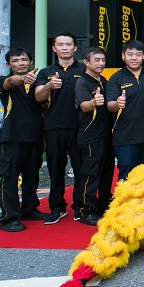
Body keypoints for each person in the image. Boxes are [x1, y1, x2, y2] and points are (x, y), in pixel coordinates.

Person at [34, 32, 86, 225]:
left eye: (68, 44)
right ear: (54, 48)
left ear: (75, 48)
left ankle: (80, 206)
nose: (65, 48)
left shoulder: (84, 69)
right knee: (55, 169)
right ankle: (57, 208)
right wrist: (48, 86)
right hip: (53, 127)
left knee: (81, 169)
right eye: (60, 44)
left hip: (79, 127)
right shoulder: (45, 72)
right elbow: (38, 97)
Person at [0, 48, 46, 232]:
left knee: (32, 176)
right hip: (12, 137)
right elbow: (10, 82)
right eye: (15, 61)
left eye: (24, 59)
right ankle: (8, 218)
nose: (20, 63)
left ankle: (29, 210)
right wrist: (22, 78)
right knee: (9, 177)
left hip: (35, 137)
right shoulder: (3, 81)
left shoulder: (39, 83)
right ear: (8, 64)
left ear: (30, 62)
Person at [106, 39, 144, 182]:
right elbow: (110, 105)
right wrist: (118, 103)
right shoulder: (116, 78)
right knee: (126, 175)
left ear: (143, 56)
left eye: (138, 54)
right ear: (123, 56)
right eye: (130, 54)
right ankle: (125, 198)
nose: (134, 58)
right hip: (125, 136)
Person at [74, 46, 115, 225]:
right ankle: (86, 209)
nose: (101, 63)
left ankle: (103, 203)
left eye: (103, 60)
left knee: (106, 171)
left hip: (107, 134)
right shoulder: (82, 82)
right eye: (96, 60)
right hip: (90, 135)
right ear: (86, 62)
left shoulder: (104, 81)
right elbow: (83, 106)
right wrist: (93, 102)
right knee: (90, 173)